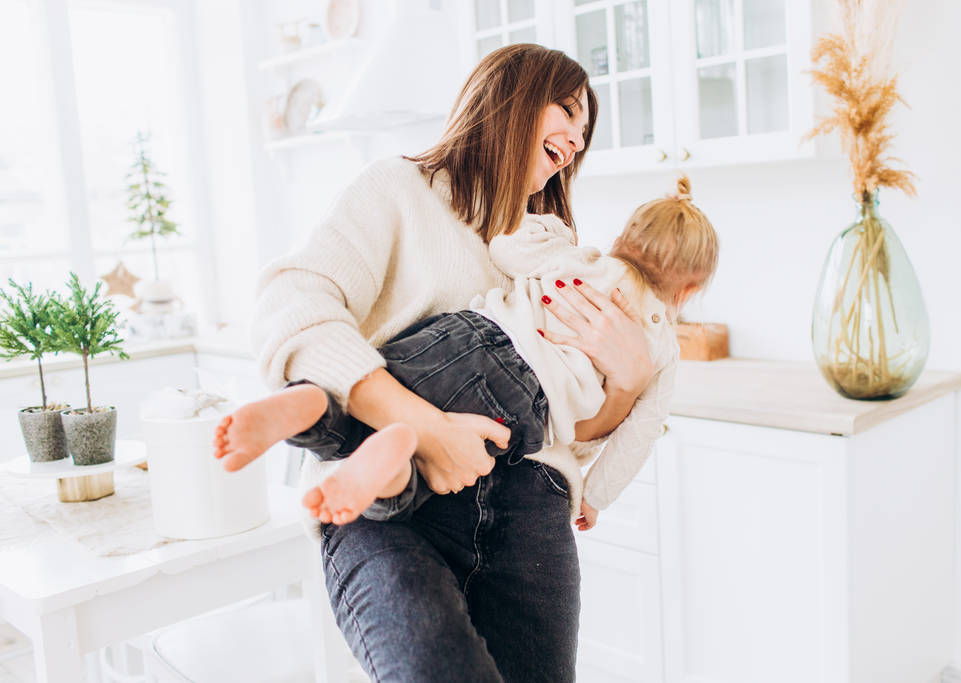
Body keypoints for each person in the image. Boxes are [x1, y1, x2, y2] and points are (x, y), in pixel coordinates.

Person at [244, 44, 659, 682]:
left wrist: (630, 379)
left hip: (530, 499)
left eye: (584, 136)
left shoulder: (552, 247)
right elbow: (290, 300)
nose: (575, 142)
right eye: (568, 114)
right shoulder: (398, 189)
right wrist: (424, 427)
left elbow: (563, 416)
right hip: (391, 505)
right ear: (512, 98)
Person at [215, 176, 719, 535]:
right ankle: (390, 471)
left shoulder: (579, 261)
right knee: (419, 478)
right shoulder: (662, 348)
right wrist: (593, 494)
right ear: (690, 290)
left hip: (467, 332)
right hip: (519, 399)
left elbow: (505, 250)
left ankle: (309, 403)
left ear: (623, 238)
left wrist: (553, 234)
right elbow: (639, 434)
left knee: (380, 387)